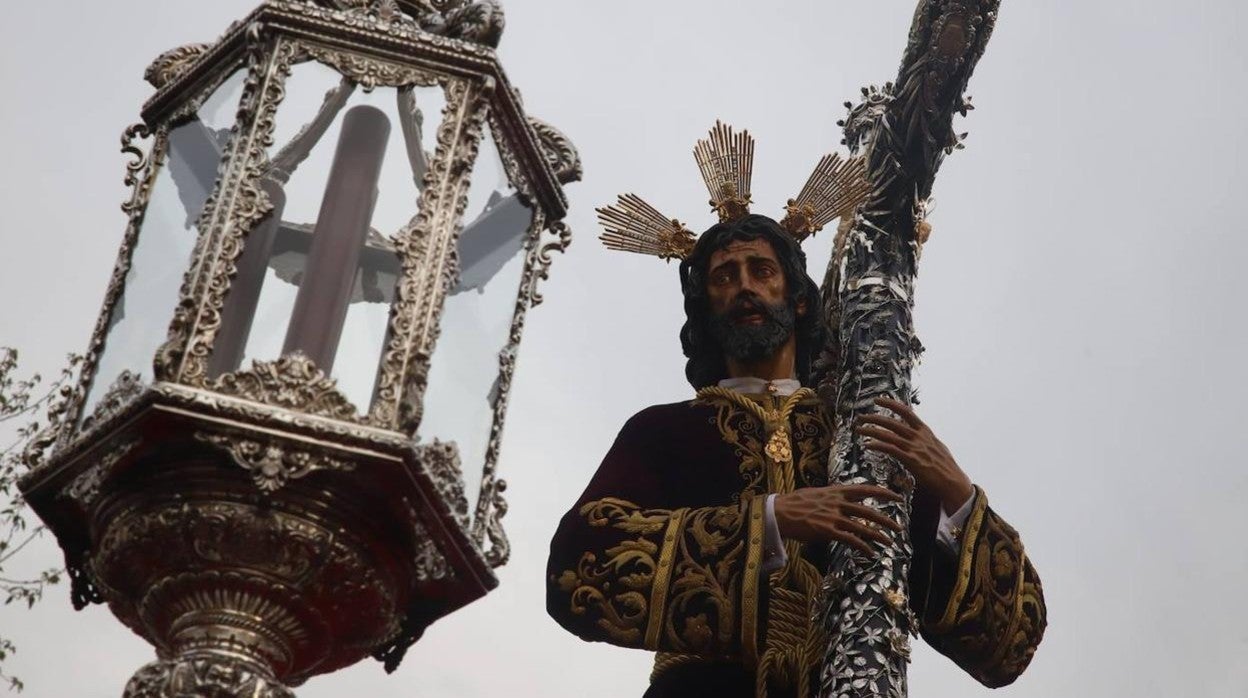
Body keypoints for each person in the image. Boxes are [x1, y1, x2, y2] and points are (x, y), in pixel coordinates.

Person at [546, 211, 1046, 697]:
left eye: (762, 270)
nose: (745, 286)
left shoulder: (859, 444)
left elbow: (1008, 646)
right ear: (705, 305)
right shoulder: (665, 431)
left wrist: (956, 491)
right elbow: (578, 566)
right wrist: (767, 523)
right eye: (724, 276)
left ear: (799, 299)